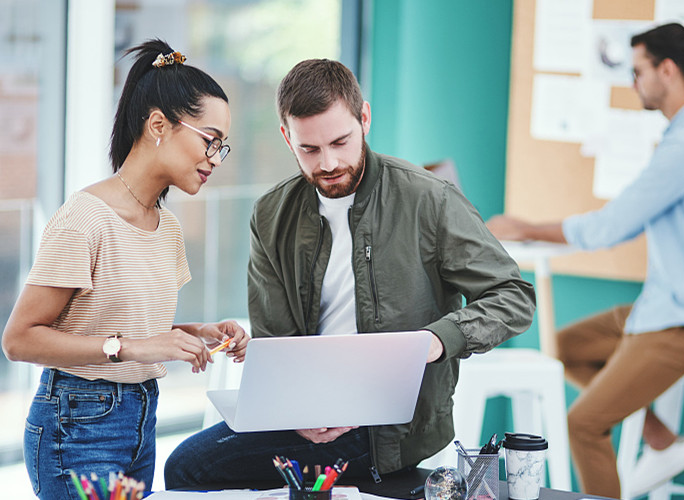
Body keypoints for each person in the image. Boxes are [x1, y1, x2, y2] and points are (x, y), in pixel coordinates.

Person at [164, 58, 536, 489]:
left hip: (390, 430)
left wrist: (435, 340)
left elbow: (513, 296)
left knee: (188, 469)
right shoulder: (270, 214)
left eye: (341, 141)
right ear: (287, 137)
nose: (328, 163)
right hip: (306, 409)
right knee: (186, 465)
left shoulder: (429, 200)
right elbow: (275, 336)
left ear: (365, 118)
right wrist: (296, 409)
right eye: (310, 149)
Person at [486, 23, 684, 498]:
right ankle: (661, 440)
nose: (632, 82)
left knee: (584, 425)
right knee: (564, 348)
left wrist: (523, 227)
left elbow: (609, 228)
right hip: (673, 303)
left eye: (638, 70)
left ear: (667, 70)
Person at [1, 39, 249, 499]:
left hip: (140, 419)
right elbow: (18, 339)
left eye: (223, 147)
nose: (215, 158)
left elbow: (126, 327)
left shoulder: (167, 227)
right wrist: (136, 347)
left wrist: (196, 333)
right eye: (210, 141)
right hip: (78, 425)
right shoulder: (85, 217)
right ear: (159, 124)